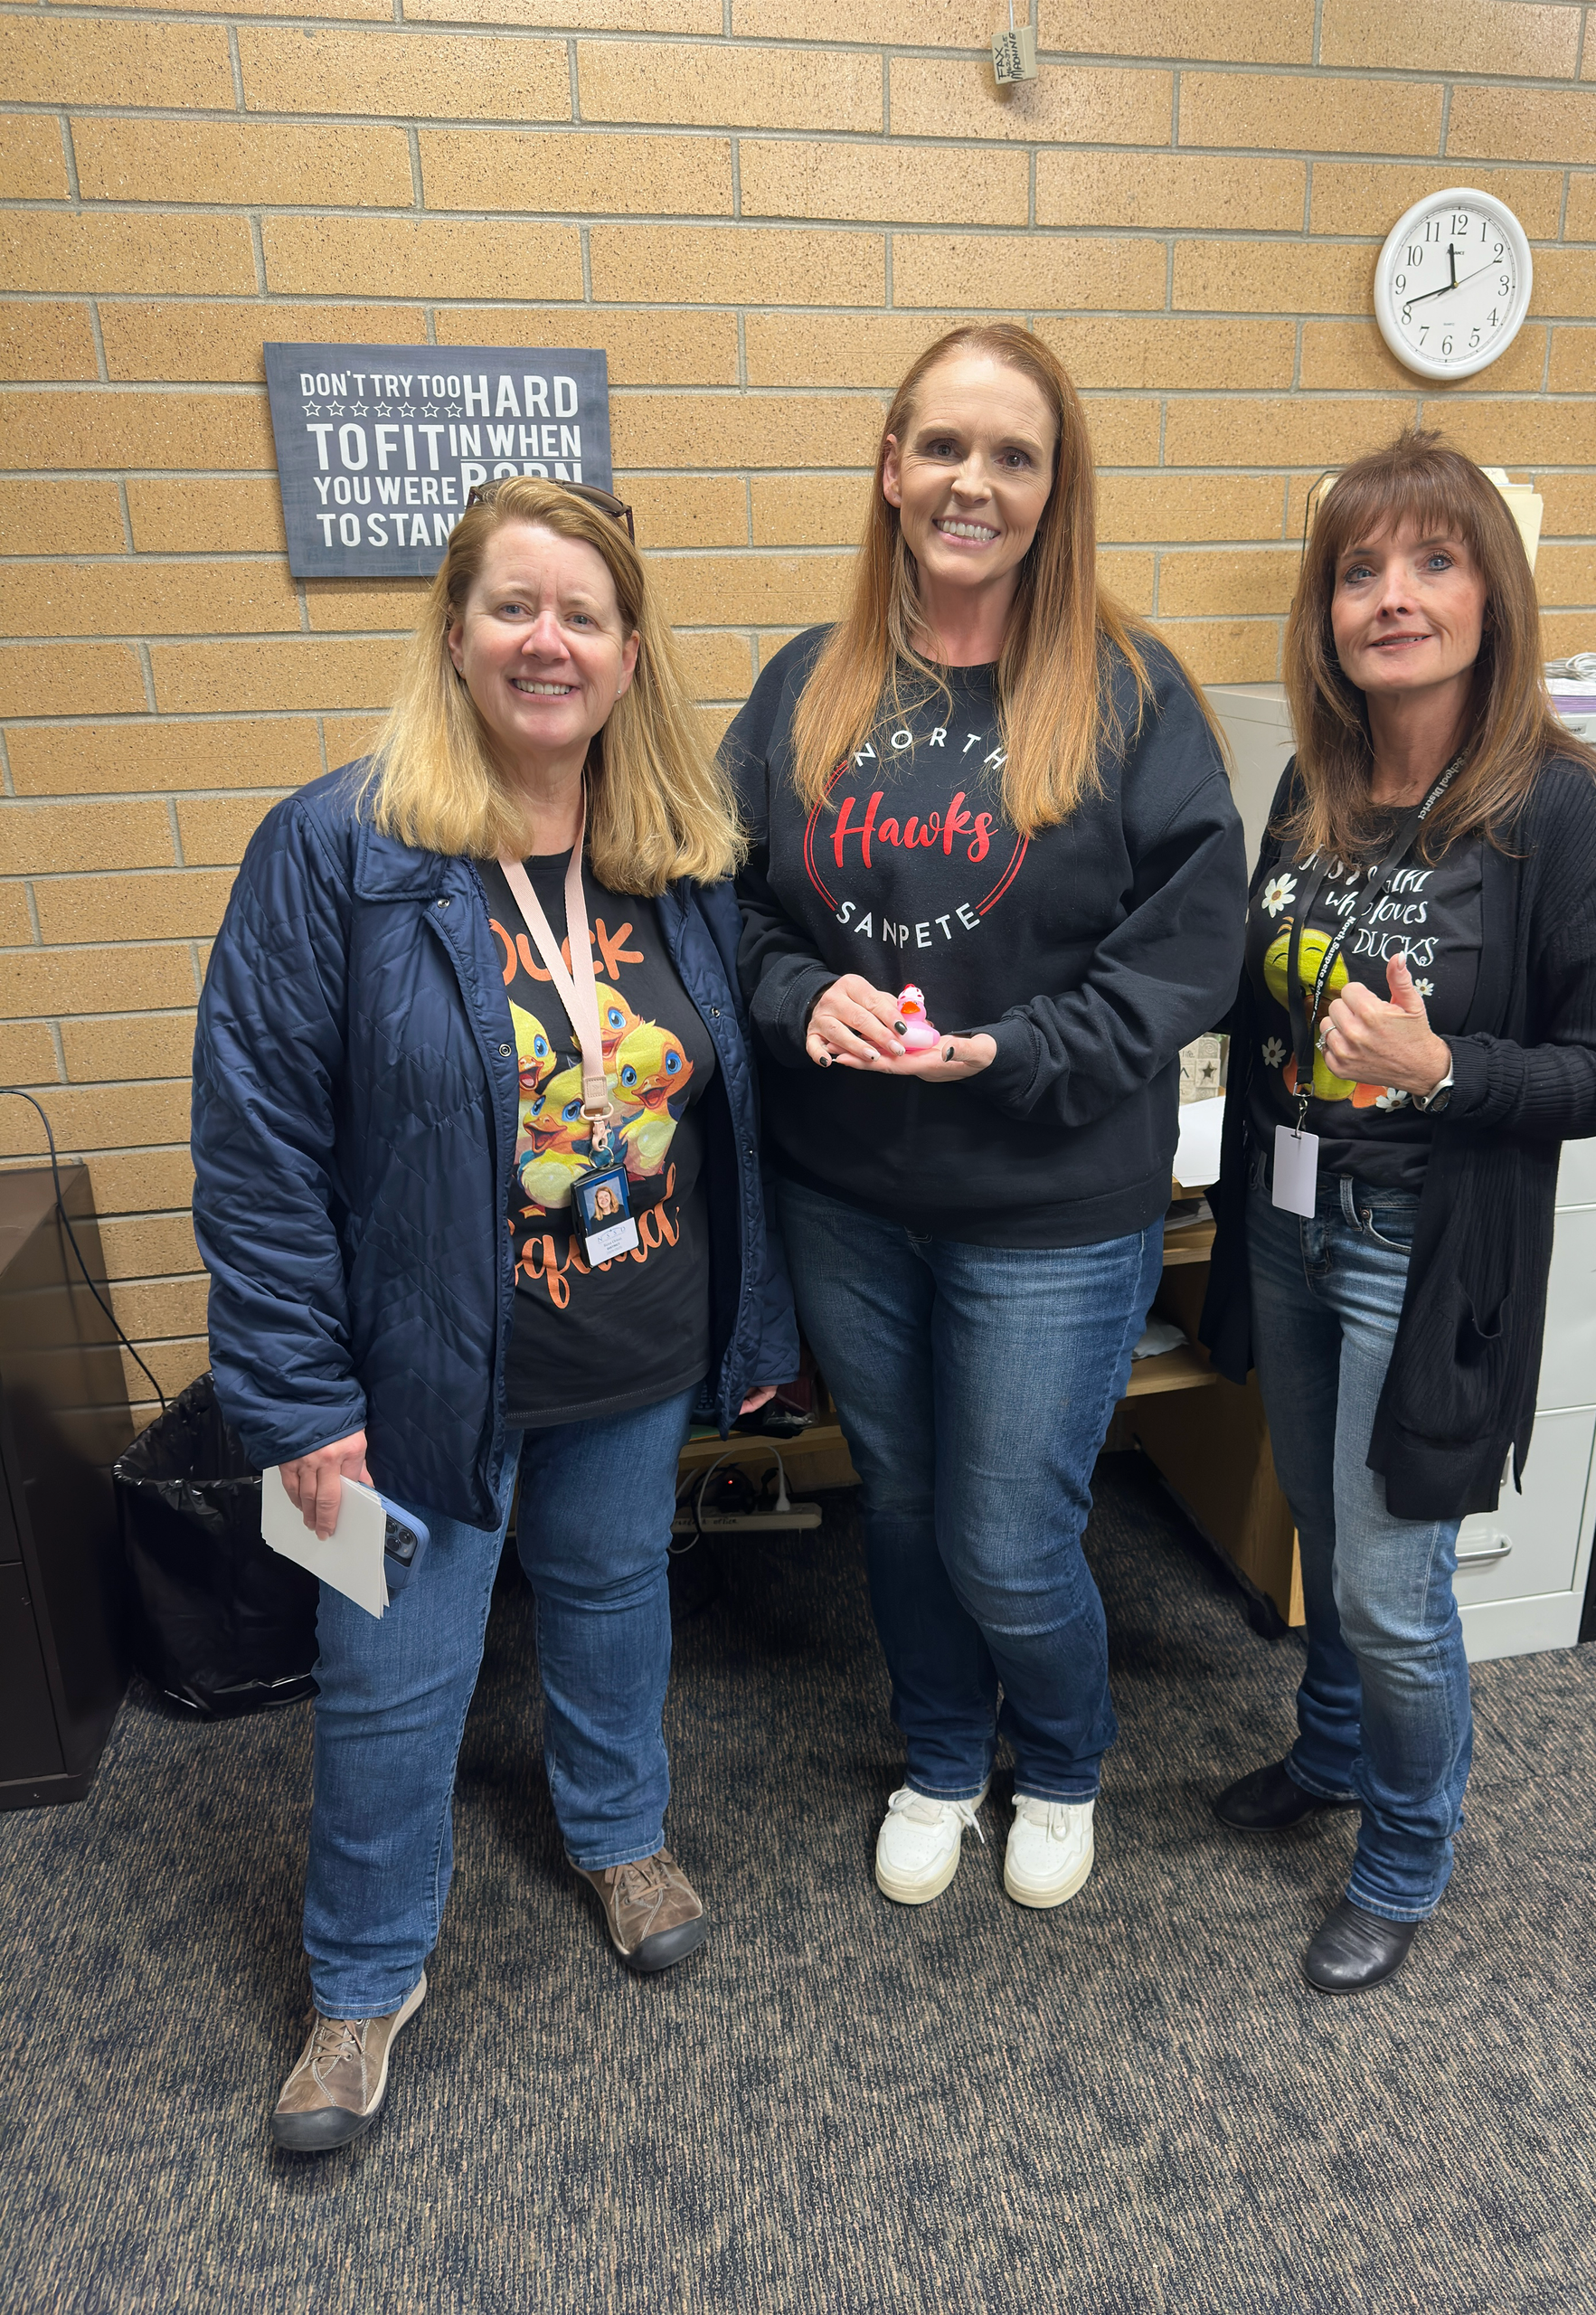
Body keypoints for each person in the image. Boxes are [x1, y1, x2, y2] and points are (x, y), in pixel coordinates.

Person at [193, 477, 798, 2150]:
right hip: (412, 1377)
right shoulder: (341, 848)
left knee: (614, 1595)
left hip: (632, 1340)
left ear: (626, 654)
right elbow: (256, 1146)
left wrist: (752, 1326)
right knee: (390, 1670)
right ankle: (362, 1981)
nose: (548, 641)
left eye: (583, 616)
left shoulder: (674, 849)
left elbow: (725, 1089)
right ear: (454, 633)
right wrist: (299, 1403)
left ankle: (617, 1832)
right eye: (513, 607)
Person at [723, 324, 1246, 1913]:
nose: (974, 481)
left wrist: (1018, 1050)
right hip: (851, 1193)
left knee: (1013, 1533)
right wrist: (796, 997)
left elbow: (1191, 952)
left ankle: (1068, 1760)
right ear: (890, 469)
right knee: (900, 1496)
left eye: (1013, 455)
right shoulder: (808, 687)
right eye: (944, 446)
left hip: (1051, 1200)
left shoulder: (1135, 692)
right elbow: (728, 915)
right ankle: (944, 1756)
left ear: (1053, 488)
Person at [1200, 433, 1596, 1993]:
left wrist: (1446, 1066)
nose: (1392, 599)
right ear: (1326, 609)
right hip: (1291, 1215)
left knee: (1395, 1587)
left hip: (1424, 1245)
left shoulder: (1566, 810)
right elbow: (1266, 1000)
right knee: (1325, 1535)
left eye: (1432, 563)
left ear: (1492, 592)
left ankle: (1405, 1847)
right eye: (1359, 571)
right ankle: (1333, 1755)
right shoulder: (1312, 787)